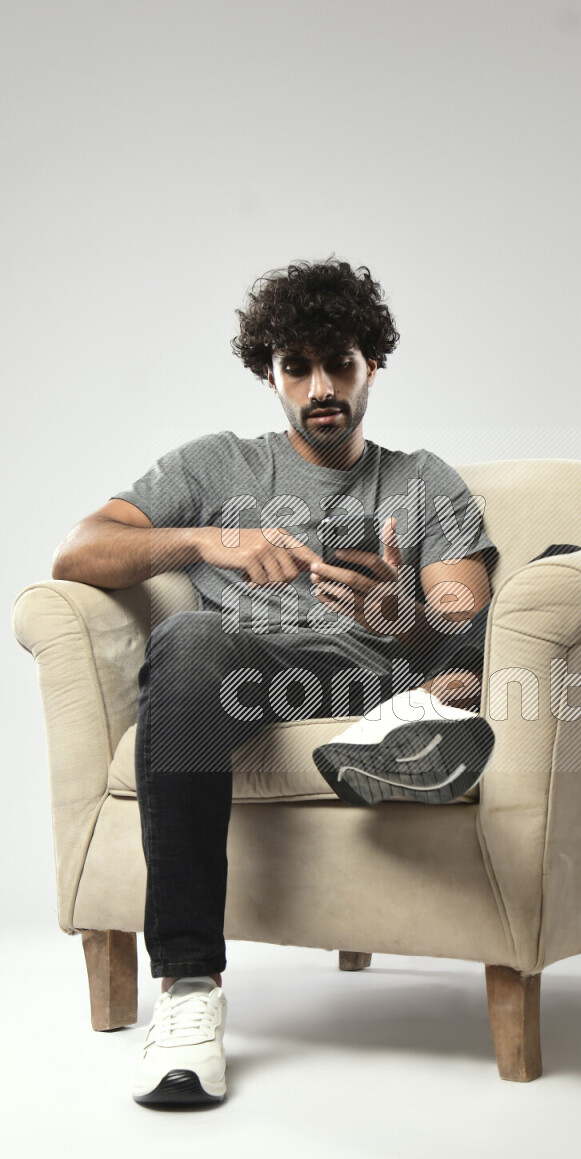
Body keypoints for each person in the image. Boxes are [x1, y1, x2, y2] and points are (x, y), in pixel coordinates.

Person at [51, 256, 501, 1107]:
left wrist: (401, 614)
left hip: (369, 675)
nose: (320, 387)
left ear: (372, 364)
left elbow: (463, 611)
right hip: (246, 672)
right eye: (298, 367)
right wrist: (204, 541)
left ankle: (416, 719)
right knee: (189, 638)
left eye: (340, 363)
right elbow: (78, 551)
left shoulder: (421, 480)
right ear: (271, 374)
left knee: (478, 644)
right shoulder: (216, 466)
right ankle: (190, 989)